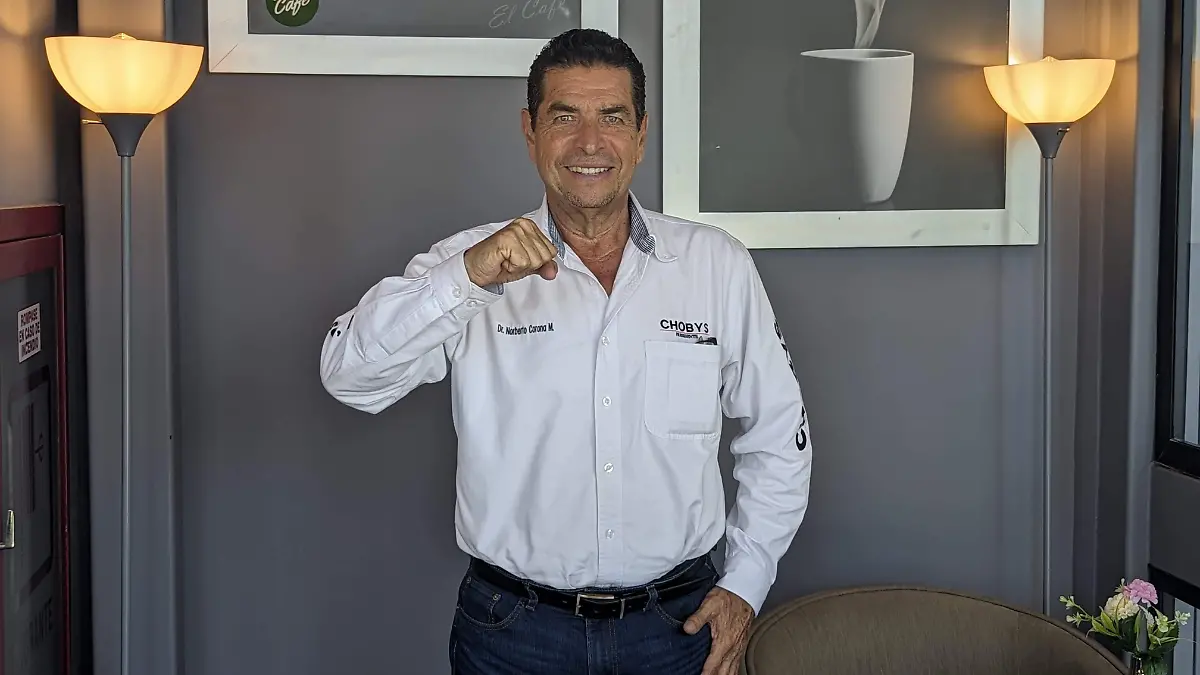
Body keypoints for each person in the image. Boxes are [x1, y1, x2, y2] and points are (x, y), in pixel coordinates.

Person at [319, 28, 812, 675]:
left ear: (641, 133)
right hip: (513, 634)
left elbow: (779, 434)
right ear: (530, 131)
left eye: (612, 117)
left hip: (676, 629)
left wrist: (745, 583)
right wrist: (468, 279)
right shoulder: (469, 263)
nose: (589, 142)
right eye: (564, 117)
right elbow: (348, 374)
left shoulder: (715, 265)